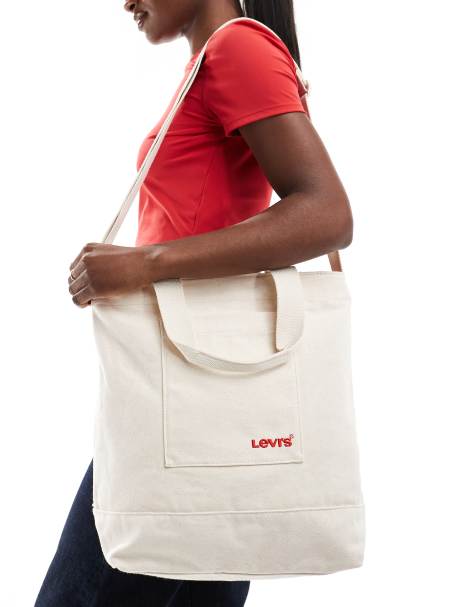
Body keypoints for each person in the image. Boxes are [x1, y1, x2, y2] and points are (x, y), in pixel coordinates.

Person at [35, 0, 353, 605]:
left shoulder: (238, 49)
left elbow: (328, 213)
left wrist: (143, 264)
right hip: (205, 403)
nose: (125, 1)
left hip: (182, 408)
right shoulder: (218, 58)